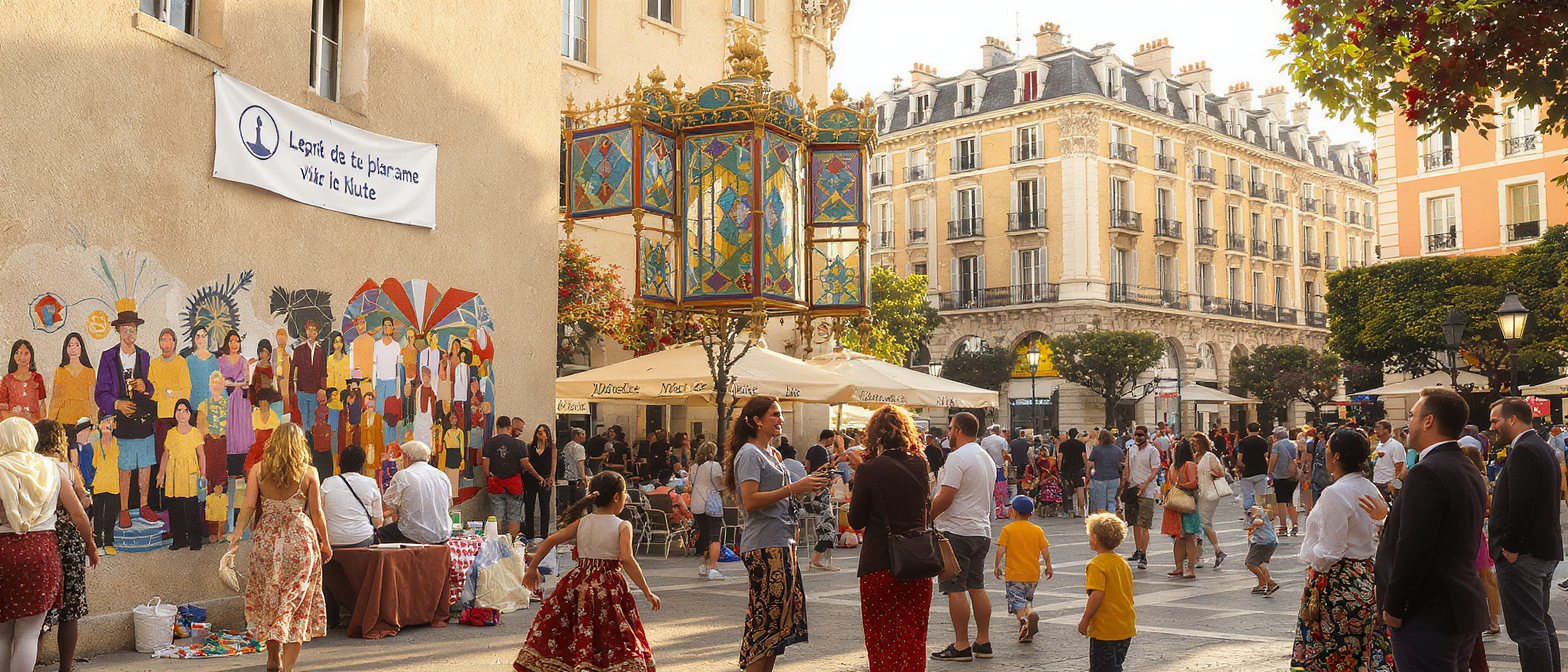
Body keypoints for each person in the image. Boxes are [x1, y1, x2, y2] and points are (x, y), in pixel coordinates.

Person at [1375, 387, 1487, 669]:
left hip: (1428, 612)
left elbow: (1414, 548)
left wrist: (1395, 607)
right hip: (1459, 605)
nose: (1407, 424)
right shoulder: (1466, 467)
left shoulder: (1427, 471)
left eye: (1412, 416)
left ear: (1428, 421)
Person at [513, 471, 660, 672]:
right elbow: (627, 559)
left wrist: (532, 568)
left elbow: (550, 540)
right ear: (617, 496)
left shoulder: (582, 522)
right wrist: (647, 591)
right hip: (607, 588)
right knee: (611, 633)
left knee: (577, 630)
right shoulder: (622, 526)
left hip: (577, 583)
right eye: (625, 493)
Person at [723, 396, 828, 671]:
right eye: (775, 414)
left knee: (777, 626)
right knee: (765, 625)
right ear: (757, 421)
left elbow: (779, 497)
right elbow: (750, 500)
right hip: (765, 544)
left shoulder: (772, 453)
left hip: (781, 542)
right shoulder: (750, 453)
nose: (781, 420)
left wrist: (808, 486)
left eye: (780, 414)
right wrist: (794, 487)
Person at [227, 424, 328, 672]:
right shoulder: (309, 473)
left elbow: (248, 506)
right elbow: (316, 513)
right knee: (297, 603)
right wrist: (326, 542)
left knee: (270, 597)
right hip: (300, 540)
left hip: (267, 540)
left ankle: (274, 655)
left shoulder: (258, 470)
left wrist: (236, 536)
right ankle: (288, 667)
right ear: (300, 445)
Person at [1291, 428, 1393, 672]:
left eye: (1327, 448)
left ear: (1336, 456)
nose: (1324, 452)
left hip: (1337, 583)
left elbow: (1330, 551)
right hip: (1365, 577)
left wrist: (1310, 559)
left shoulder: (1335, 493)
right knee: (1361, 653)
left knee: (1334, 654)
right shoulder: (1368, 487)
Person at [0, 418, 94, 672]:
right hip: (42, 552)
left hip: (4, 552)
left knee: (2, 633)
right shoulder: (52, 469)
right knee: (28, 634)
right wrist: (90, 544)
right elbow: (79, 513)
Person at [846, 405, 934, 671]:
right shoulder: (920, 463)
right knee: (913, 638)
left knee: (883, 640)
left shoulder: (869, 469)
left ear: (873, 434)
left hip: (880, 564)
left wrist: (859, 475)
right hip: (917, 562)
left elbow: (856, 520)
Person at [1486, 397, 1562, 672]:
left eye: (1495, 420)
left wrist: (1511, 547)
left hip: (1524, 555)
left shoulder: (1525, 450)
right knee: (1539, 623)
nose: (1492, 427)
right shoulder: (1540, 447)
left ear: (1513, 419)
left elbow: (1522, 503)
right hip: (1540, 551)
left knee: (1528, 630)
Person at [929, 411, 997, 662]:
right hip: (981, 530)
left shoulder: (958, 457)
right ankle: (983, 641)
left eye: (950, 428)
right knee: (977, 587)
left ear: (958, 430)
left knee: (955, 588)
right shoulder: (985, 457)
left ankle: (961, 644)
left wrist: (927, 518)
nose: (948, 433)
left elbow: (946, 496)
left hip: (957, 531)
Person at [33, 419, 97, 672]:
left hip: (40, 539)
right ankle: (65, 668)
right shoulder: (67, 469)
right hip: (69, 541)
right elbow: (82, 506)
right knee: (70, 611)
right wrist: (90, 545)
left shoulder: (30, 468)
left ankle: (30, 663)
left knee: (36, 613)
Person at [94, 307, 156, 529]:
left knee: (146, 464)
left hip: (143, 419)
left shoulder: (145, 356)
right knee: (125, 466)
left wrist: (145, 386)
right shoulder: (108, 357)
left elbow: (153, 386)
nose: (130, 334)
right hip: (121, 421)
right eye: (126, 329)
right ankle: (123, 509)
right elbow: (100, 392)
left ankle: (144, 505)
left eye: (133, 330)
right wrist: (116, 404)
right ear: (118, 331)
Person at [318, 445, 381, 628]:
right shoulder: (370, 483)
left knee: (325, 574)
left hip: (333, 542)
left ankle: (331, 617)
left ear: (340, 463)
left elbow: (319, 514)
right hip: (362, 540)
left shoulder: (327, 483)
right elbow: (378, 522)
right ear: (362, 464)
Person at [1078, 513, 1134, 672]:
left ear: (1095, 538)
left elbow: (1096, 595)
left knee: (1101, 668)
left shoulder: (1097, 565)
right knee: (1114, 666)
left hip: (1105, 629)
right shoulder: (1122, 562)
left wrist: (1085, 619)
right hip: (1125, 626)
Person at [995, 495, 1051, 644]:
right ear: (1030, 513)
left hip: (1014, 574)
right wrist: (1049, 566)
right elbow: (1045, 550)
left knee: (1017, 602)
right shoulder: (1037, 530)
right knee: (1027, 599)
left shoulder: (1008, 530)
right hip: (1033, 574)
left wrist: (997, 565)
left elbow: (1001, 549)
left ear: (1014, 512)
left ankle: (1027, 618)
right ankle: (1026, 627)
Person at [376, 440, 452, 545]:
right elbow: (449, 504)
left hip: (413, 534)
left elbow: (387, 505)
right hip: (442, 534)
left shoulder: (404, 475)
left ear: (408, 457)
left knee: (379, 535)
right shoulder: (442, 475)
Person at [157, 399, 205, 551]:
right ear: (175, 413)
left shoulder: (195, 432)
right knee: (175, 507)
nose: (182, 414)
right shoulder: (171, 433)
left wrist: (203, 475)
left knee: (191, 507)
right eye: (179, 410)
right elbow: (166, 454)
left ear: (190, 414)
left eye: (185, 410)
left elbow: (201, 455)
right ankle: (179, 540)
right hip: (174, 474)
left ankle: (195, 541)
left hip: (190, 474)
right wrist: (161, 474)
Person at [1122, 426, 1161, 570]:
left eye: (1140, 435)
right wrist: (1123, 485)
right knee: (1135, 523)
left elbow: (1155, 469)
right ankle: (1138, 550)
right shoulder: (1131, 450)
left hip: (1146, 492)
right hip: (1132, 489)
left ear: (1146, 436)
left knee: (1144, 524)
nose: (1138, 437)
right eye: (1136, 435)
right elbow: (1127, 468)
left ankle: (1144, 555)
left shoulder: (1152, 451)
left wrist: (1145, 484)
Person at [1160, 441, 1201, 579]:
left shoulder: (1173, 467)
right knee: (1190, 536)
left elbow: (1172, 483)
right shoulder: (1189, 465)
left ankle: (1179, 567)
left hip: (1174, 503)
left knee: (1179, 537)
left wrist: (1177, 485)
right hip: (1187, 503)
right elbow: (1195, 483)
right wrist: (1183, 484)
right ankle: (1190, 568)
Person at [480, 417, 525, 538]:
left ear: (497, 427)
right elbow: (524, 463)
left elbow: (485, 464)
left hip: (496, 483)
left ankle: (497, 542)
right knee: (514, 515)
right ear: (509, 427)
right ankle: (512, 542)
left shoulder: (490, 443)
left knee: (497, 514)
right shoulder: (519, 444)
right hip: (514, 484)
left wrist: (488, 476)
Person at [689, 440, 727, 581]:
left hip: (697, 502)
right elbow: (720, 484)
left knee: (704, 533)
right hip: (711, 502)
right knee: (715, 534)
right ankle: (713, 567)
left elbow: (691, 482)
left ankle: (702, 565)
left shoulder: (694, 467)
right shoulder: (714, 465)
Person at [218, 331, 252, 484]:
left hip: (241, 402)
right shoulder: (220, 361)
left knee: (242, 433)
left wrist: (237, 385)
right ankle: (230, 472)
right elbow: (218, 381)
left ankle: (242, 469)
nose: (234, 344)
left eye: (237, 341)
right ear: (227, 343)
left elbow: (247, 382)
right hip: (227, 400)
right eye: (231, 341)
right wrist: (229, 384)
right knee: (229, 431)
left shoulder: (243, 361)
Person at [1190, 433, 1228, 569]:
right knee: (1200, 523)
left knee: (1204, 522)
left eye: (1196, 443)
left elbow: (1221, 473)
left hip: (1209, 493)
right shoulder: (1195, 457)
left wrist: (1208, 473)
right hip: (1198, 493)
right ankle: (1200, 553)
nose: (1194, 445)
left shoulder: (1210, 457)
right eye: (1193, 443)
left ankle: (1217, 549)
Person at [46, 334, 95, 428]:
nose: (73, 349)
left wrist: (95, 420)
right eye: (70, 345)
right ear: (66, 349)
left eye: (77, 345)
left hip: (84, 420)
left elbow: (92, 399)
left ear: (81, 348)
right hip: (64, 419)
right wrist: (50, 421)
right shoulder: (60, 371)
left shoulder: (89, 372)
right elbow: (55, 399)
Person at [88, 415, 119, 555]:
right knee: (98, 515)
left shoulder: (118, 444)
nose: (108, 424)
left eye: (111, 421)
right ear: (99, 425)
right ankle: (98, 543)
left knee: (111, 515)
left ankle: (109, 542)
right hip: (98, 485)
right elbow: (92, 466)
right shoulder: (94, 445)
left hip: (113, 485)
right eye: (106, 421)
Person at [291, 321, 326, 433]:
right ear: (305, 332)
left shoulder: (320, 351)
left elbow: (323, 372)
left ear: (317, 333)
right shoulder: (299, 350)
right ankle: (304, 440)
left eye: (314, 330)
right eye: (309, 329)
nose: (311, 332)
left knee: (312, 417)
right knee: (303, 416)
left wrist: (323, 389)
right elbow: (292, 371)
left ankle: (310, 440)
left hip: (315, 391)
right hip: (302, 390)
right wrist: (292, 389)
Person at [522, 424, 555, 539]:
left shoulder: (551, 447)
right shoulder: (530, 446)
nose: (540, 435)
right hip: (531, 478)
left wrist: (552, 476)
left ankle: (544, 534)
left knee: (544, 506)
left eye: (542, 432)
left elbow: (554, 461)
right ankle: (530, 533)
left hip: (545, 477)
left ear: (547, 434)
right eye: (538, 432)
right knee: (529, 506)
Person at [1, 341, 46, 423]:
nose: (22, 357)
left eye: (26, 353)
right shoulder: (7, 380)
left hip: (33, 425)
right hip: (13, 424)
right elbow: (2, 409)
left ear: (31, 355)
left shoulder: (37, 378)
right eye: (18, 353)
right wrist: (19, 417)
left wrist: (38, 423)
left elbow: (42, 405)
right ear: (13, 355)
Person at [1232, 423, 1271, 516]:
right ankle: (1261, 514)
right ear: (1259, 430)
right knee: (1261, 495)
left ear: (1247, 430)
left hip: (1247, 472)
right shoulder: (1263, 442)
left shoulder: (1243, 442)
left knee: (1248, 496)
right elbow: (1266, 456)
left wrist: (1239, 467)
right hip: (1261, 470)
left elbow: (1240, 456)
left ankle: (1249, 514)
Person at [1267, 427, 1300, 536]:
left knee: (1281, 501)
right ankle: (1295, 524)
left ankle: (1283, 526)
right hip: (1294, 475)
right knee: (1290, 500)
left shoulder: (1277, 445)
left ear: (1276, 436)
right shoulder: (1294, 444)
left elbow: (1273, 460)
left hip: (1280, 476)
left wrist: (1269, 472)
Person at [1244, 506, 1279, 596]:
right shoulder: (1256, 510)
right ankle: (1263, 585)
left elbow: (1259, 521)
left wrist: (1252, 525)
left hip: (1263, 542)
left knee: (1250, 563)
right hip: (1268, 541)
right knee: (1260, 564)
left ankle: (1268, 583)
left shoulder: (1254, 510)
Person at [1086, 430, 1123, 514]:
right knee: (1111, 500)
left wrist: (1087, 475)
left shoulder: (1096, 449)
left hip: (1100, 477)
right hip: (1114, 477)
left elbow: (1090, 462)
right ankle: (1111, 517)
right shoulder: (1118, 450)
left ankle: (1102, 518)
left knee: (1100, 501)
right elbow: (1120, 461)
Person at [1371, 420, 1405, 502]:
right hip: (1377, 482)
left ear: (1386, 430)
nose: (1376, 431)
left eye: (1378, 428)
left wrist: (1394, 486)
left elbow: (1400, 468)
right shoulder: (1379, 446)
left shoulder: (1396, 446)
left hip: (1388, 484)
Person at [980, 425, 1009, 518]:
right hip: (1000, 468)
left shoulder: (985, 441)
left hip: (988, 468)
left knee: (989, 490)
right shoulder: (1002, 440)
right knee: (1000, 490)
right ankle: (1000, 510)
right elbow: (1005, 454)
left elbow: (982, 455)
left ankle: (990, 510)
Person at [558, 427, 588, 515]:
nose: (584, 437)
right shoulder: (579, 447)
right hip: (576, 478)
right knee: (578, 504)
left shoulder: (567, 446)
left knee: (569, 502)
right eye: (583, 434)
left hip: (567, 478)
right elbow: (580, 463)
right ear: (577, 435)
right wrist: (583, 477)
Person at [1059, 429, 1087, 518]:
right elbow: (1084, 457)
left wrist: (1059, 468)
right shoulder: (1081, 444)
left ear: (1068, 435)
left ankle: (1070, 511)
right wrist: (1086, 468)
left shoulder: (1063, 445)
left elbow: (1060, 457)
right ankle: (1081, 509)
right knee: (1080, 488)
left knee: (1068, 490)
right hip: (1078, 469)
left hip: (1066, 469)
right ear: (1076, 435)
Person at [1008, 430, 1031, 496]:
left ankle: (1018, 489)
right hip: (1024, 461)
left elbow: (1009, 451)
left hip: (1015, 461)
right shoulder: (1025, 442)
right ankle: (1022, 490)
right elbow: (1027, 451)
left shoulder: (1012, 443)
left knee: (1017, 476)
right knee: (1023, 476)